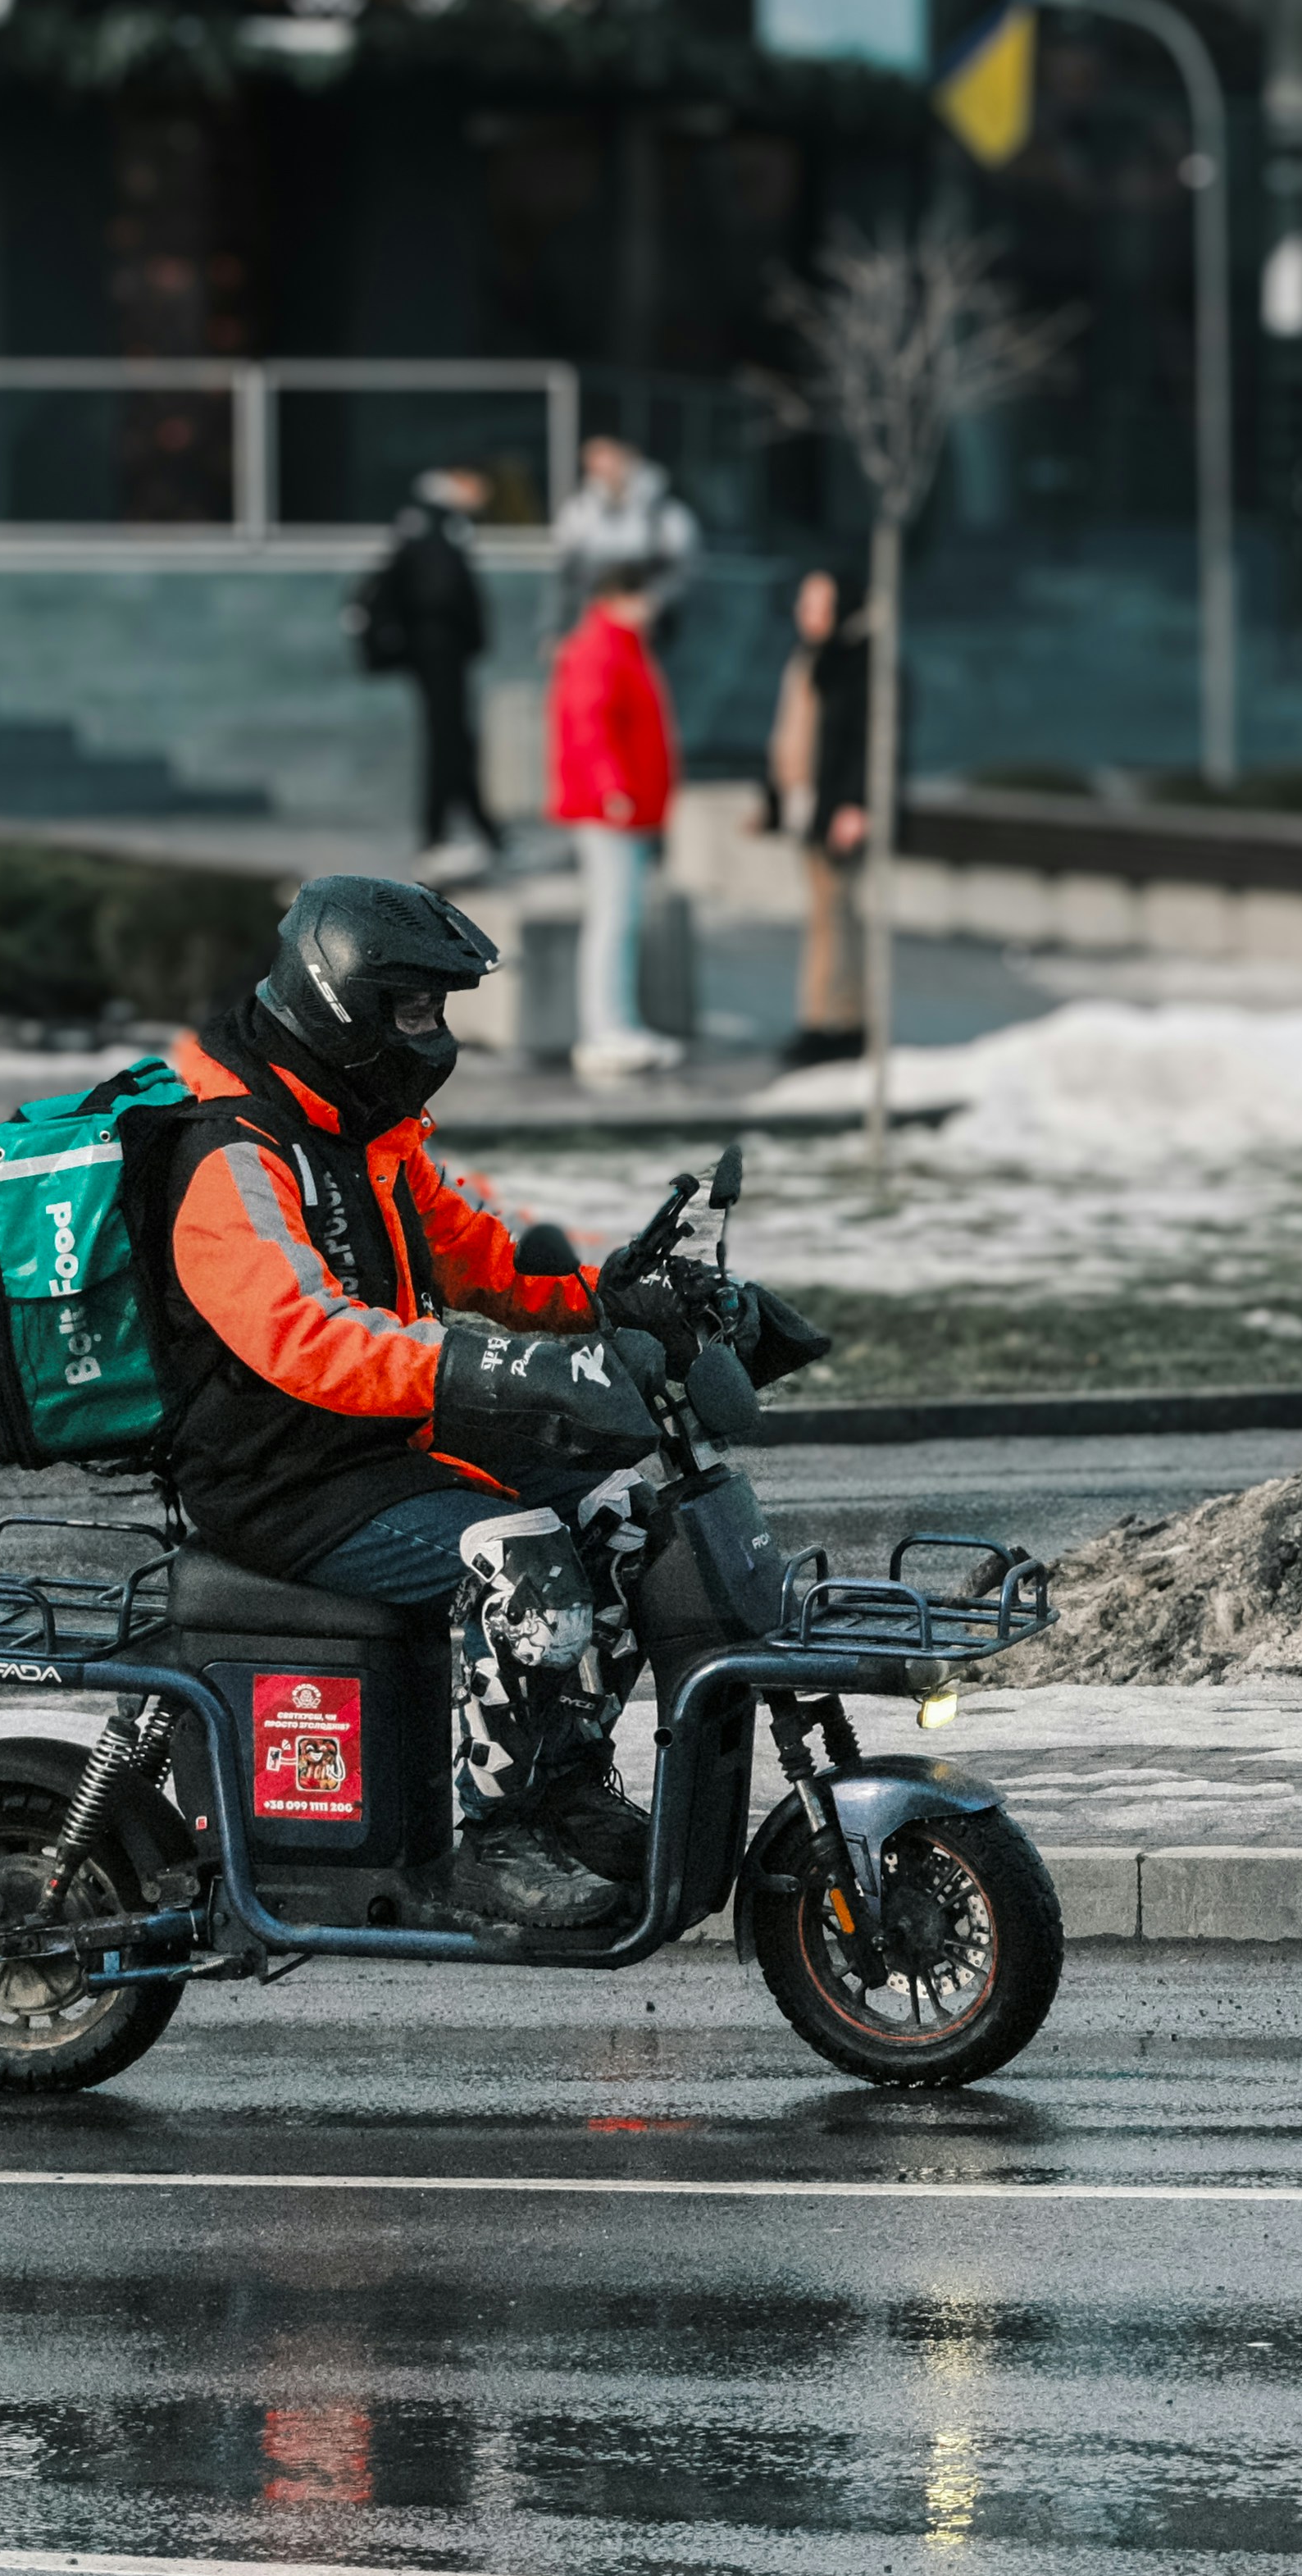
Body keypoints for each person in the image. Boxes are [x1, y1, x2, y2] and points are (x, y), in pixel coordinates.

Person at [156, 879, 671, 1930]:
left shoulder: (353, 1126)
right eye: (417, 1010)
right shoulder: (234, 1152)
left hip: (371, 1449)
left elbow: (481, 1250)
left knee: (625, 1520)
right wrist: (481, 1367)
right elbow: (301, 1335)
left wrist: (618, 1297)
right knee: (518, 1555)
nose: (434, 1036)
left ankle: (561, 1788)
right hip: (281, 1479)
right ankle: (493, 1850)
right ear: (345, 1003)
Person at [547, 563, 685, 1084]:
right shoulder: (603, 646)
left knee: (619, 919)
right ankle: (606, 1030)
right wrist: (612, 788)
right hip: (611, 809)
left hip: (621, 807)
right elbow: (591, 723)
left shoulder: (618, 643)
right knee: (613, 919)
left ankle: (618, 1026)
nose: (654, 606)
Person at [763, 563, 878, 1068]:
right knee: (827, 916)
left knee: (835, 919)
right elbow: (791, 735)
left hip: (836, 810)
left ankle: (832, 1023)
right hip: (809, 807)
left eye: (816, 604)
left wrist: (855, 803)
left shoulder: (857, 662)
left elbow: (864, 744)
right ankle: (837, 1020)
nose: (803, 613)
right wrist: (773, 799)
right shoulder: (811, 658)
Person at [369, 467, 502, 873]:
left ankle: (481, 829)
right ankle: (440, 833)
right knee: (448, 741)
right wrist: (469, 635)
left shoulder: (424, 523)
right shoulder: (435, 525)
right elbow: (442, 592)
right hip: (439, 651)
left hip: (435, 651)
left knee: (454, 740)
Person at [549, 435, 697, 640]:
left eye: (611, 464)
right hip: (592, 629)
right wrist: (553, 630)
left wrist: (651, 600)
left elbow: (684, 572)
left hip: (650, 630)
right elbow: (563, 580)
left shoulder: (667, 514)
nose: (605, 473)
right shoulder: (578, 512)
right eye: (596, 468)